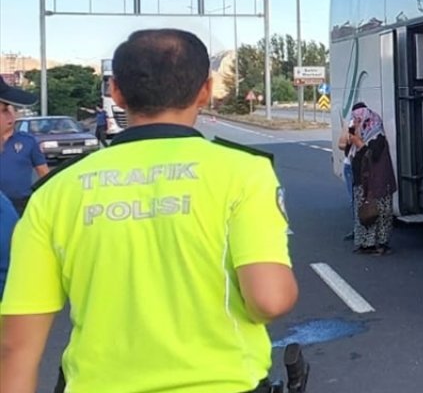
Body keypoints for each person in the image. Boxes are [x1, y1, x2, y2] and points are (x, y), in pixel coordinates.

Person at [0, 28, 298, 393]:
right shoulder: (244, 173)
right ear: (205, 90)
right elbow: (269, 299)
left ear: (116, 91)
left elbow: (15, 348)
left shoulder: (56, 192)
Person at [350, 105, 395, 255]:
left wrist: (360, 144)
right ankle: (365, 244)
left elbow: (372, 156)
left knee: (380, 212)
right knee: (364, 211)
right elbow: (345, 149)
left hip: (377, 181)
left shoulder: (377, 136)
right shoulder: (358, 132)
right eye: (354, 118)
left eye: (358, 118)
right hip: (362, 181)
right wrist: (354, 131)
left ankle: (380, 243)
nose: (356, 121)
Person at [0, 78, 49, 216]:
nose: (10, 116)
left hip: (21, 204)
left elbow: (44, 173)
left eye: (10, 110)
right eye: (4, 110)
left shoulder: (27, 140)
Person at [336, 102, 367, 242]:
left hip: (364, 167)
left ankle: (365, 229)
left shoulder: (369, 126)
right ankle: (357, 229)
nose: (358, 118)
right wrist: (350, 138)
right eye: (356, 116)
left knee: (364, 199)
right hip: (350, 167)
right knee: (354, 199)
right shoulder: (350, 126)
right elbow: (340, 145)